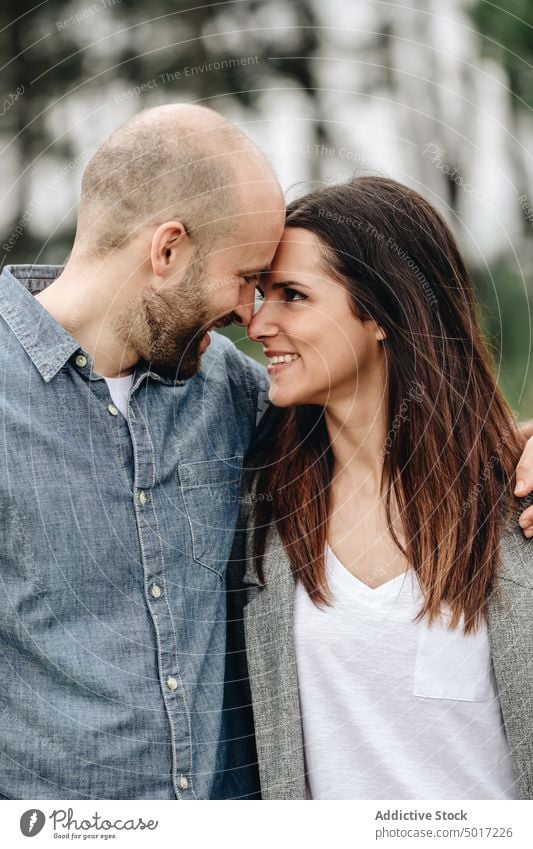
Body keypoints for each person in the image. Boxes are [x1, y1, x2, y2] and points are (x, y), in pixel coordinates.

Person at [0, 103, 285, 799]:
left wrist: (514, 451)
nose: (252, 315)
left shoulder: (235, 391)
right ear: (167, 250)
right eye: (246, 278)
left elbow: (388, 452)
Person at [227, 176, 533, 800]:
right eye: (261, 294)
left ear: (383, 314)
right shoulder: (258, 502)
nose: (258, 323)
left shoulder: (517, 501)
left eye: (293, 295)